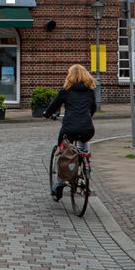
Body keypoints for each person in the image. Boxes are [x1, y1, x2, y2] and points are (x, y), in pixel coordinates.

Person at [43, 64, 97, 200]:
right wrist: (86, 117)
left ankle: (59, 184)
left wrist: (47, 114)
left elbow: (54, 105)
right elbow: (93, 108)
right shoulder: (90, 91)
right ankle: (86, 166)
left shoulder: (66, 90)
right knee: (83, 145)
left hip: (69, 128)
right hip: (87, 128)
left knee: (63, 153)